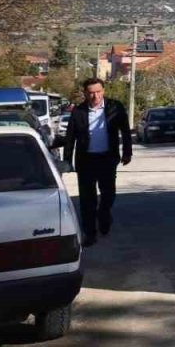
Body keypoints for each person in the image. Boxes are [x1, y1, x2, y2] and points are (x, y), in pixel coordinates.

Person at [63, 78, 132, 246]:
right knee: (87, 199)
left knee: (108, 194)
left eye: (98, 92)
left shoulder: (114, 107)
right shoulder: (78, 111)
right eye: (91, 93)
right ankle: (90, 234)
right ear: (85, 93)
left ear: (104, 91)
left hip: (107, 159)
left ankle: (104, 214)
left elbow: (125, 130)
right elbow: (70, 137)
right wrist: (67, 160)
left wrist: (127, 152)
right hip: (86, 160)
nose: (95, 96)